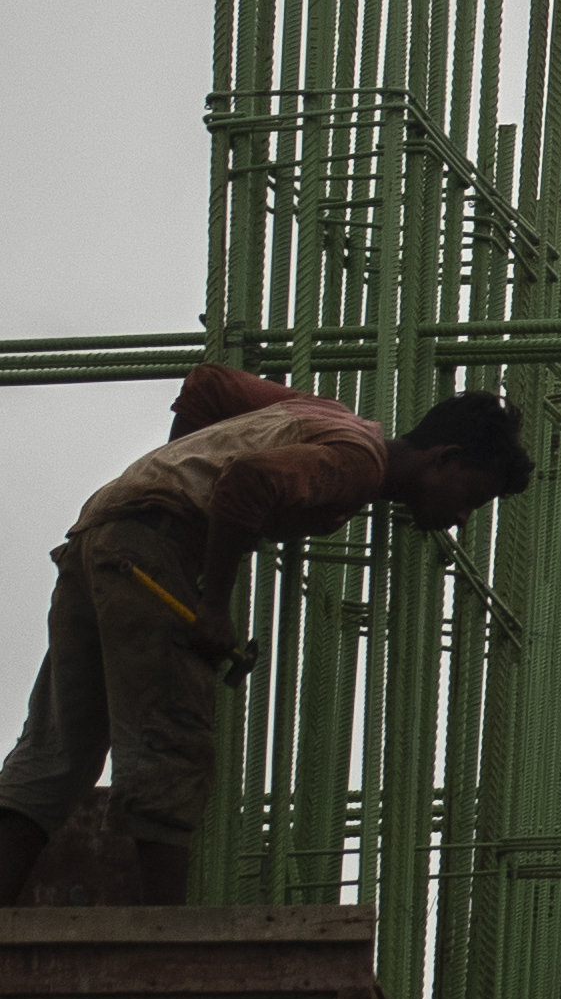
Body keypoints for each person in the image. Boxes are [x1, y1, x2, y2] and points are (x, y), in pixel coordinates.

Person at [0, 364, 532, 907]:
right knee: (172, 744)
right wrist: (211, 605)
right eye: (470, 496)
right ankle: (164, 948)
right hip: (148, 550)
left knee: (58, 750)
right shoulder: (358, 464)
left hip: (101, 534)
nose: (463, 517)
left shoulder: (329, 418)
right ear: (443, 458)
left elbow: (207, 385)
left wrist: (167, 476)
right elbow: (247, 482)